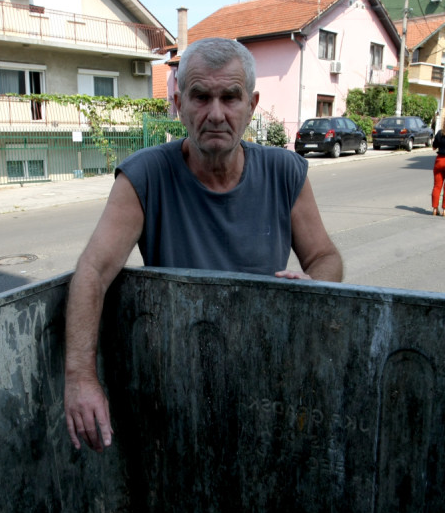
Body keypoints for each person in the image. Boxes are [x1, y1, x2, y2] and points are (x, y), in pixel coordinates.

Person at [64, 37, 343, 452]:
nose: (216, 113)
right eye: (201, 96)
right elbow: (92, 270)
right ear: (178, 102)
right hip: (179, 391)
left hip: (266, 381)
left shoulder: (285, 172)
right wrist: (80, 378)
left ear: (252, 103)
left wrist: (314, 287)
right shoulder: (145, 178)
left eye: (230, 97)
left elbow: (325, 257)